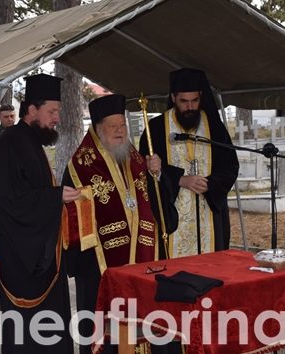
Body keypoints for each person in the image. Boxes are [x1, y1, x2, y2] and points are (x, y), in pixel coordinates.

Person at [61, 94, 163, 353]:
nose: (120, 132)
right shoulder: (80, 165)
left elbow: (151, 200)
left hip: (140, 254)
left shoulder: (135, 157)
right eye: (113, 126)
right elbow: (73, 219)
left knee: (139, 320)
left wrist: (157, 173)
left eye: (123, 125)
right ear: (98, 130)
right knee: (104, 327)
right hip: (98, 263)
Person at [0, 73, 77, 353]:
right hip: (24, 258)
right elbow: (10, 204)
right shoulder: (11, 143)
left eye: (58, 112)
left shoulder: (29, 140)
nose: (56, 119)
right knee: (31, 333)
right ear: (31, 110)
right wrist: (55, 197)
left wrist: (56, 198)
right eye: (52, 112)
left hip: (40, 250)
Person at [139, 68, 239, 258]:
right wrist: (179, 179)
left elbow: (230, 166)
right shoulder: (156, 129)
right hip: (172, 217)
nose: (190, 107)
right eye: (184, 101)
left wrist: (211, 184)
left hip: (209, 216)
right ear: (173, 97)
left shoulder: (214, 127)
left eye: (195, 101)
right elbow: (144, 169)